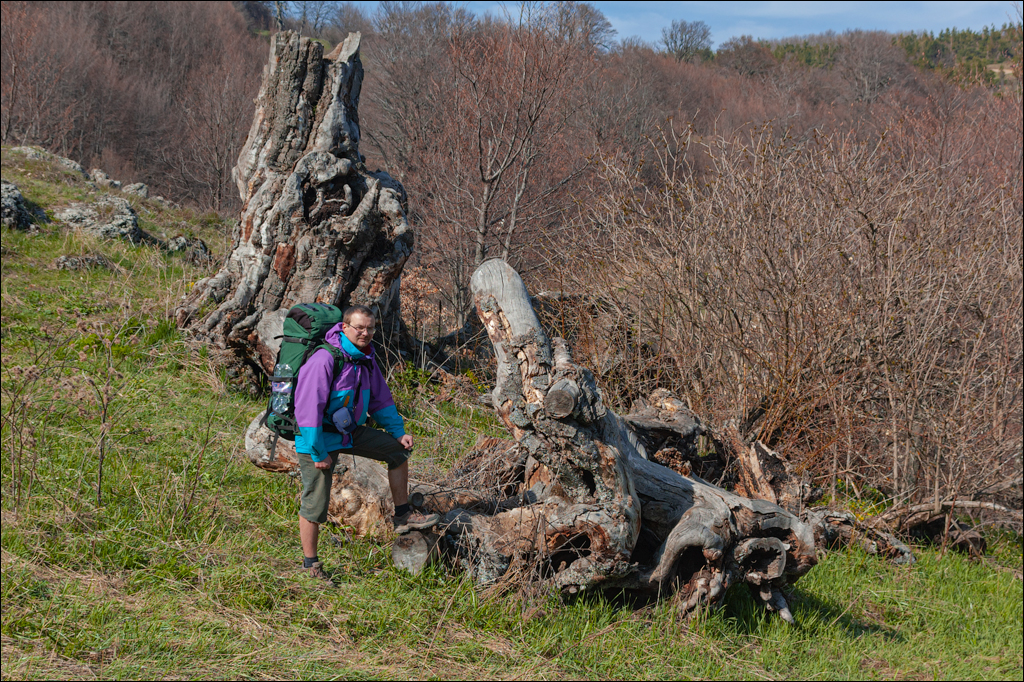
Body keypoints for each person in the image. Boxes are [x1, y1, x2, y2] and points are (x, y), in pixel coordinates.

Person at [292, 304, 438, 585]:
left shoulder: (366, 359)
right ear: (344, 327)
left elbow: (381, 401)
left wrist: (398, 433)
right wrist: (317, 450)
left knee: (397, 452)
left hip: (347, 431)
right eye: (359, 327)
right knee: (315, 502)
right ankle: (310, 564)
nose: (366, 332)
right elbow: (307, 408)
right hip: (317, 437)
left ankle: (402, 516)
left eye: (370, 328)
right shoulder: (325, 359)